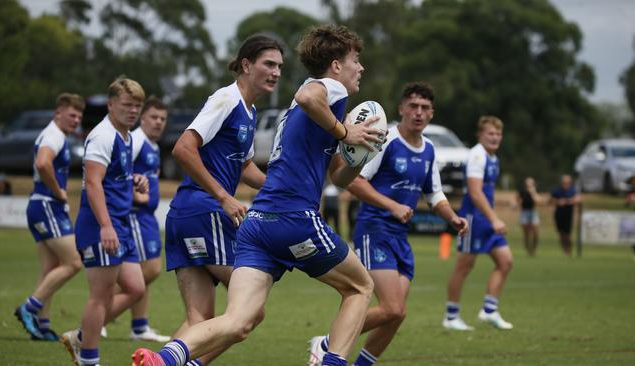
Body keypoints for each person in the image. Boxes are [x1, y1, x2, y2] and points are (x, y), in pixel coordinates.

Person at [131, 24, 384, 366]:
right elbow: (310, 96)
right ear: (336, 65)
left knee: (238, 321)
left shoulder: (301, 113)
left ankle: (164, 359)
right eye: (356, 59)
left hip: (257, 225)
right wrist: (344, 131)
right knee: (361, 287)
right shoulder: (326, 89)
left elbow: (338, 178)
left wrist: (360, 153)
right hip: (294, 219)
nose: (361, 68)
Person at [307, 82, 468, 366]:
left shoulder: (429, 149)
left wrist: (452, 218)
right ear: (401, 109)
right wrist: (391, 205)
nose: (418, 113)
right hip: (374, 229)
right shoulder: (386, 139)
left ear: (432, 114)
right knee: (391, 307)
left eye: (425, 108)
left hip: (400, 237)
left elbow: (434, 193)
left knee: (397, 313)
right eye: (413, 106)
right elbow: (354, 181)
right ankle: (326, 343)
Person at [161, 34, 283, 365]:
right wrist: (223, 197)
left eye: (279, 67)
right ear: (246, 64)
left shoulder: (249, 110)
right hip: (205, 211)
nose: (276, 72)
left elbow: (243, 166)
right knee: (250, 310)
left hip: (188, 214)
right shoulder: (225, 99)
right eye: (268, 64)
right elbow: (183, 148)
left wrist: (281, 187)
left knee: (199, 321)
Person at [61, 77, 149, 366]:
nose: (133, 111)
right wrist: (106, 226)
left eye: (137, 106)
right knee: (100, 296)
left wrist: (133, 179)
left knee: (136, 288)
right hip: (102, 225)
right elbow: (93, 184)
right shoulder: (103, 135)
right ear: (111, 104)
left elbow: (111, 178)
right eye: (127, 105)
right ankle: (88, 358)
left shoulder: (125, 136)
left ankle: (80, 336)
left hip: (119, 224)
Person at [15, 93, 85, 341]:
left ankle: (41, 325)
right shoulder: (53, 135)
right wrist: (59, 192)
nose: (76, 120)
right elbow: (43, 164)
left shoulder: (55, 134)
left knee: (50, 269)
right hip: (47, 204)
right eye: (71, 114)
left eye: (79, 116)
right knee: (75, 262)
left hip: (40, 204)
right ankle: (30, 308)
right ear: (58, 113)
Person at [442, 116, 514, 331]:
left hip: (487, 220)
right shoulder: (476, 155)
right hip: (472, 220)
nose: (495, 138)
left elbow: (487, 193)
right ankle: (451, 316)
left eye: (498, 134)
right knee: (464, 267)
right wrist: (494, 218)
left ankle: (489, 310)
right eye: (490, 133)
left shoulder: (493, 157)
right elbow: (474, 192)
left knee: (505, 261)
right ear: (480, 135)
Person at [124, 96, 170, 342]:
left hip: (147, 217)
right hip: (136, 216)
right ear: (142, 118)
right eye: (154, 117)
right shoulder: (137, 141)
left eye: (163, 119)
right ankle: (106, 311)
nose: (158, 122)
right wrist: (135, 196)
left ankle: (140, 326)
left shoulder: (152, 145)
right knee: (149, 270)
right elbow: (118, 171)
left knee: (144, 272)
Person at [549, 174, 580, 256]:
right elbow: (550, 201)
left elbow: (577, 199)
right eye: (564, 182)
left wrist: (566, 201)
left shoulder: (572, 190)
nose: (565, 184)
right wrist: (558, 202)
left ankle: (570, 249)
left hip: (568, 215)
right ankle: (565, 251)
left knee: (568, 234)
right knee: (561, 233)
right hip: (559, 215)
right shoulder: (557, 191)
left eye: (567, 183)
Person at [516, 177, 542, 256]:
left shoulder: (535, 192)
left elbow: (538, 201)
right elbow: (518, 200)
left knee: (536, 233)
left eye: (530, 183)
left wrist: (533, 192)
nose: (528, 185)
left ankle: (533, 249)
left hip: (533, 212)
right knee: (526, 233)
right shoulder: (522, 192)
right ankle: (528, 250)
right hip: (524, 212)